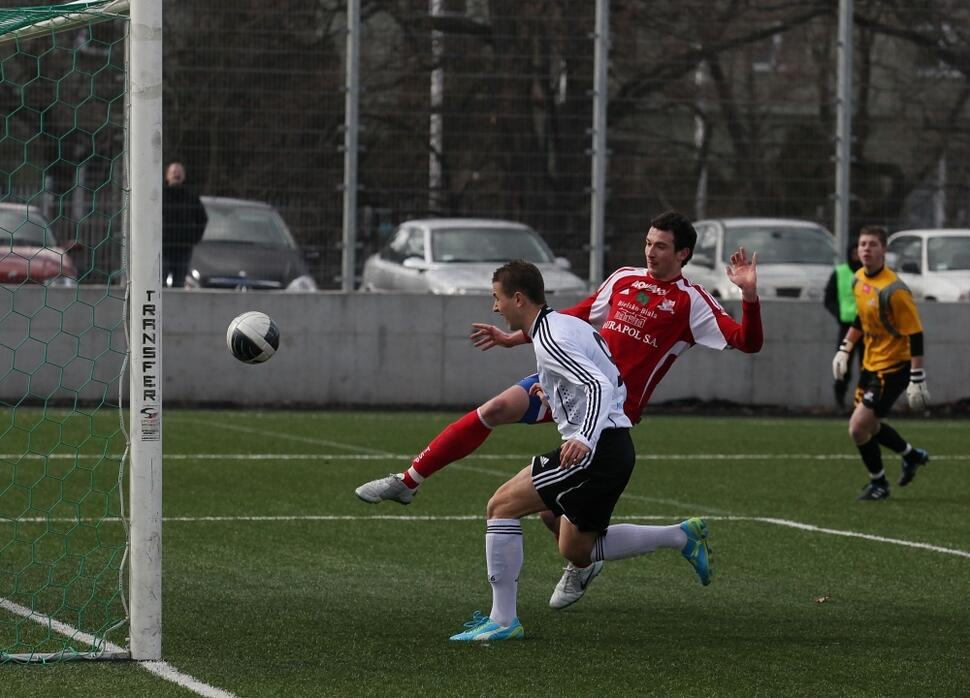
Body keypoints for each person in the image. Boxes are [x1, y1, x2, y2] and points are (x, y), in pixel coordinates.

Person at [356, 210, 763, 607]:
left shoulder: (692, 302)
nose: (651, 252)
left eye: (661, 247)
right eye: (648, 243)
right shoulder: (624, 278)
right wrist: (515, 336)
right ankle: (408, 480)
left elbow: (748, 341)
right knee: (496, 408)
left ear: (684, 254)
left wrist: (748, 294)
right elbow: (577, 316)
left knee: (558, 523)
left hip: (607, 407)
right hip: (566, 380)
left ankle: (581, 562)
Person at [448, 260, 712, 642]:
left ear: (518, 298)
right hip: (612, 448)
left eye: (497, 298)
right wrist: (553, 396)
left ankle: (503, 621)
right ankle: (680, 537)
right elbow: (608, 380)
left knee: (500, 506)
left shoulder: (552, 336)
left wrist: (584, 437)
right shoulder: (564, 326)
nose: (495, 308)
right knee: (576, 546)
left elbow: (601, 387)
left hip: (597, 450)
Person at [832, 225, 930, 501]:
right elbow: (862, 319)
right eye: (862, 244)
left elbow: (916, 332)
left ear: (884, 250)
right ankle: (912, 456)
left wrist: (917, 376)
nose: (866, 249)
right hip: (870, 365)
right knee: (870, 426)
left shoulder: (895, 289)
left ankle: (879, 484)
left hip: (893, 369)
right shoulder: (858, 278)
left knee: (857, 427)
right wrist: (845, 349)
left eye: (872, 244)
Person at [824, 239, 863, 409]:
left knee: (867, 366)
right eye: (853, 253)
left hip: (868, 327)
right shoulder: (840, 272)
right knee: (843, 364)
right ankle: (840, 399)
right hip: (847, 326)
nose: (856, 256)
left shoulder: (869, 273)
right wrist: (839, 313)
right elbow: (828, 299)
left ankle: (862, 402)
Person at [162, 161, 208, 288]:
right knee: (160, 280)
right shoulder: (160, 194)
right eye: (173, 172)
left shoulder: (190, 196)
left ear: (184, 176)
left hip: (183, 248)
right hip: (162, 247)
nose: (176, 175)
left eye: (179, 173)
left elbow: (202, 218)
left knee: (178, 282)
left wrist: (194, 238)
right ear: (167, 176)